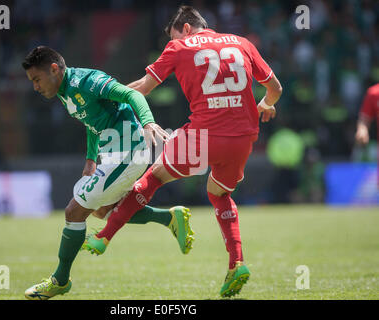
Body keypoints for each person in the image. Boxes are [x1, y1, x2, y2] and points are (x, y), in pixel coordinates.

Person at [83, 6, 282, 298]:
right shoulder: (243, 43)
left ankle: (104, 236)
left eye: (173, 36)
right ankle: (237, 263)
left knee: (155, 178)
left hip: (202, 136)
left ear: (186, 29)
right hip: (242, 138)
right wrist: (265, 104)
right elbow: (275, 88)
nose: (171, 42)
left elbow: (142, 89)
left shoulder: (179, 47)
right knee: (220, 194)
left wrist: (108, 98)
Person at [21, 46, 195, 300]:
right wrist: (91, 160)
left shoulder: (89, 82)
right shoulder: (62, 91)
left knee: (73, 211)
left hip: (130, 152)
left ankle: (60, 280)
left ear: (54, 69)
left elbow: (131, 95)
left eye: (36, 79)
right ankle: (169, 219)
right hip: (112, 154)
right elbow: (92, 122)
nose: (35, 87)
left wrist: (147, 122)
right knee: (102, 209)